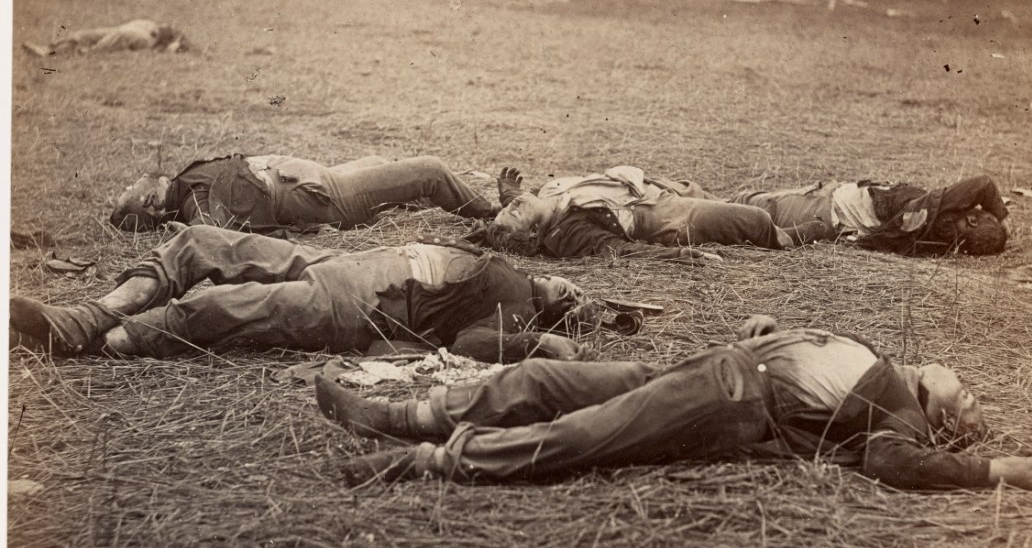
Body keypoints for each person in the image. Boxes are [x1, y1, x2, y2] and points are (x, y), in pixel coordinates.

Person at [321, 314, 1032, 492]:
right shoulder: (882, 360)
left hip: (730, 399)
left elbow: (892, 459)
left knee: (588, 431)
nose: (968, 381)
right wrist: (773, 326)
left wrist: (992, 470)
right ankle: (410, 412)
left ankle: (431, 459)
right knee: (548, 382)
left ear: (945, 416)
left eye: (972, 398)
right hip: (714, 366)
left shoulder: (902, 411)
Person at [8, 227, 597, 364]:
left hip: (357, 306)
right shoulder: (508, 265)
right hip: (345, 265)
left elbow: (471, 343)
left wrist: (541, 337)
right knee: (201, 242)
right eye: (573, 286)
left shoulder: (517, 307)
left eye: (570, 298)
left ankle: (102, 338)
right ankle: (89, 314)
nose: (571, 289)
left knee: (219, 308)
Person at [483, 166, 832, 261]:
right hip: (668, 215)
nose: (511, 206)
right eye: (513, 212)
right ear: (532, 234)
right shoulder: (569, 233)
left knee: (747, 202)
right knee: (753, 220)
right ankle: (800, 235)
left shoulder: (545, 196)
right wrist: (681, 254)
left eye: (508, 205)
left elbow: (519, 201)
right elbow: (621, 251)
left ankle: (804, 207)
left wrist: (509, 191)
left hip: (660, 187)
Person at [110, 153, 497, 234]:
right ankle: (494, 214)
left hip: (321, 180)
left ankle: (432, 197)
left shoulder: (185, 186)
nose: (132, 182)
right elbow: (210, 234)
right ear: (150, 202)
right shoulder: (193, 200)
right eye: (129, 191)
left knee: (378, 160)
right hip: (327, 195)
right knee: (430, 170)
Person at [729, 176, 1010, 256]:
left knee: (746, 206)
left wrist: (1001, 218)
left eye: (976, 211)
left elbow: (983, 184)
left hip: (823, 205)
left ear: (972, 220)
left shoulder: (934, 209)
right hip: (828, 222)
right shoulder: (939, 244)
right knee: (746, 212)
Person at [22, 19, 189, 56]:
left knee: (113, 38)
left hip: (132, 35)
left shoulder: (162, 39)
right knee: (83, 35)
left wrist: (175, 41)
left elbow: (171, 47)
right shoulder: (148, 23)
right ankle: (48, 49)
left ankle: (51, 54)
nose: (169, 26)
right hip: (124, 29)